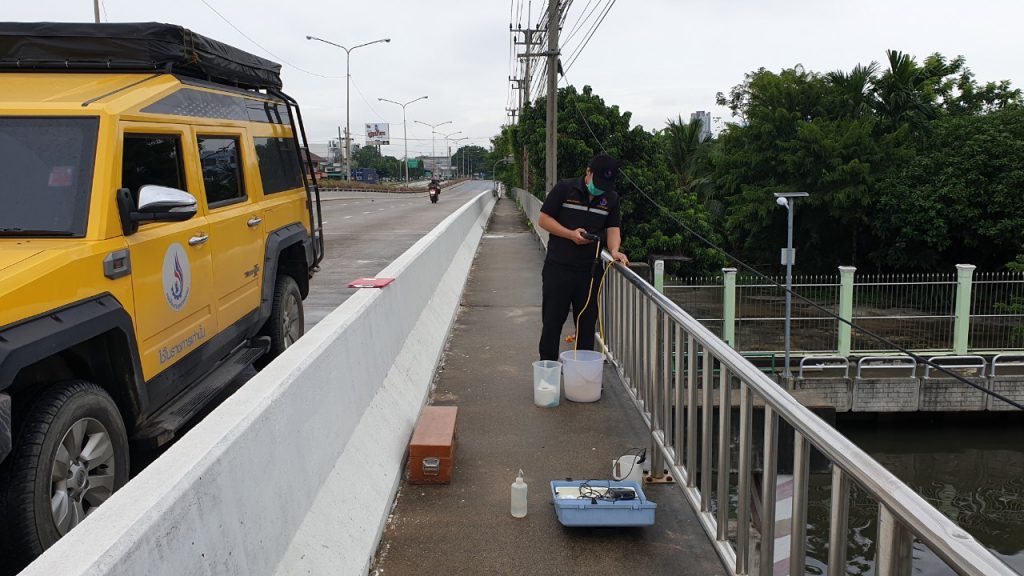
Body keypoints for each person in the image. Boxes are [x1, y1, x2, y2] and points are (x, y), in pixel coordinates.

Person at [537, 154, 629, 361]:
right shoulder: (564, 188)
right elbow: (543, 219)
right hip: (558, 268)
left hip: (590, 272)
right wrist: (570, 234)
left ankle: (582, 375)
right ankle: (548, 371)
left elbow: (613, 229)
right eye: (597, 183)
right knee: (552, 322)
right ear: (588, 172)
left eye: (606, 185)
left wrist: (614, 250)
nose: (600, 188)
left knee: (586, 325)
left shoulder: (611, 198)